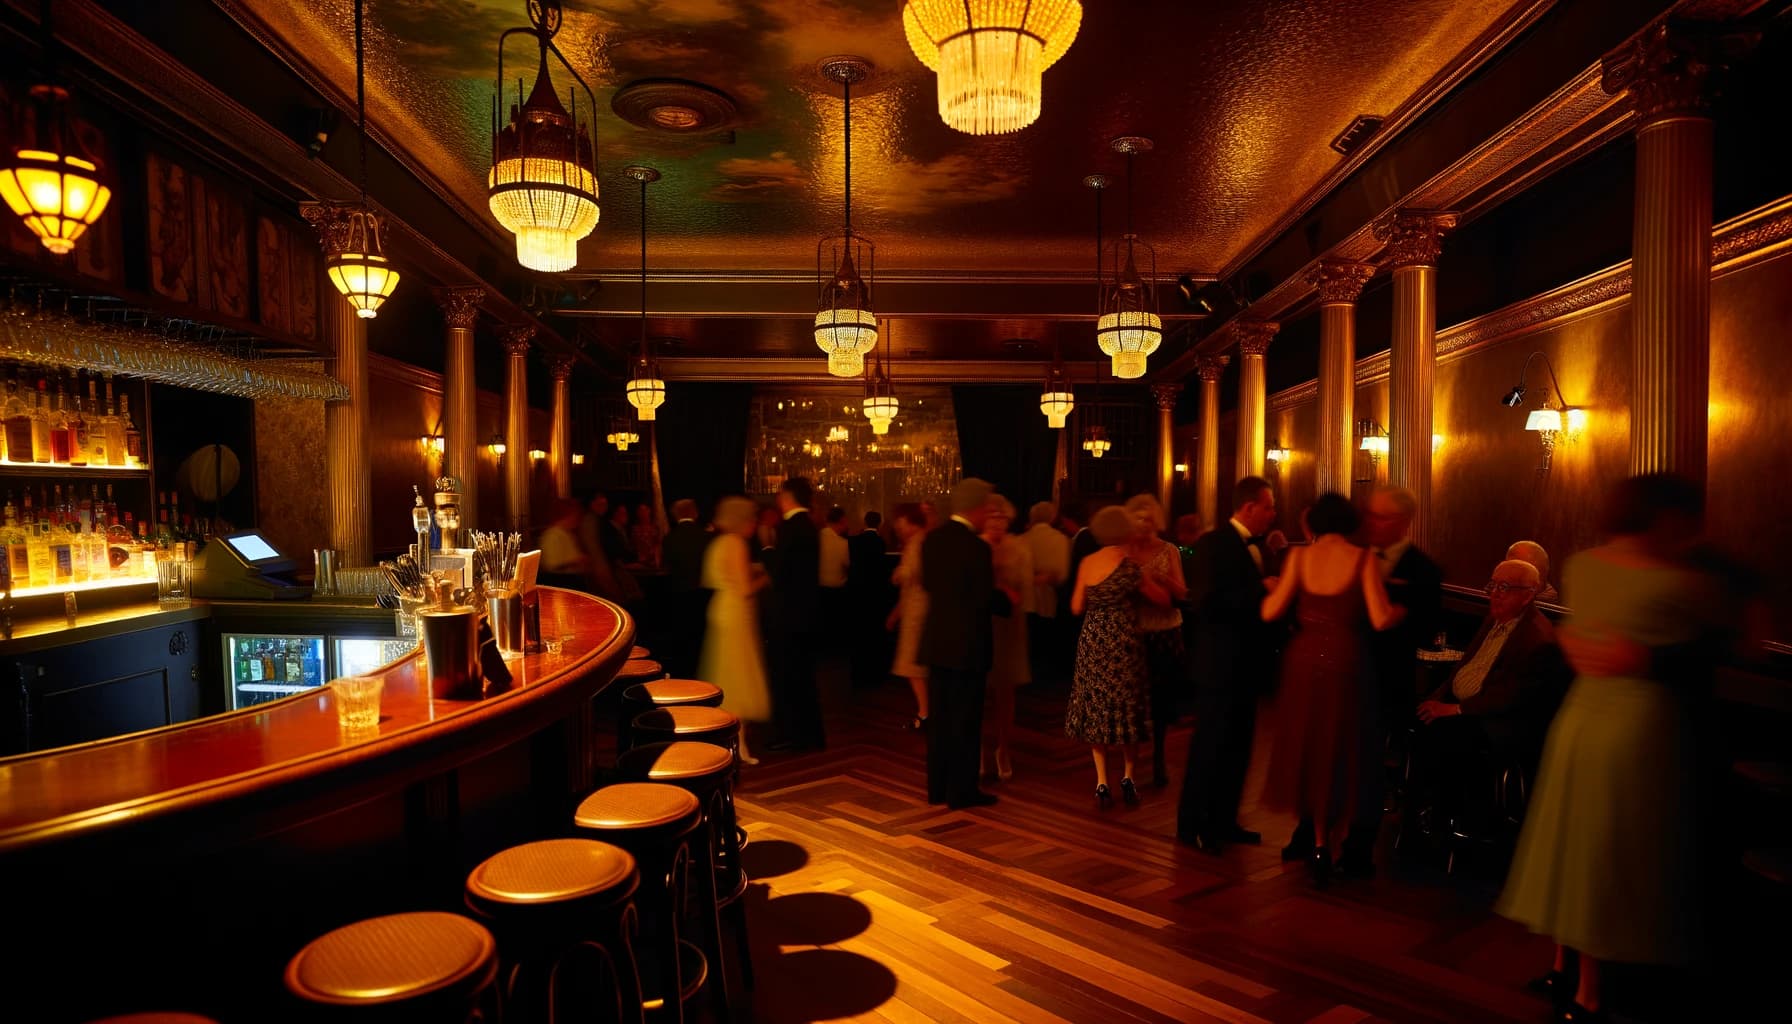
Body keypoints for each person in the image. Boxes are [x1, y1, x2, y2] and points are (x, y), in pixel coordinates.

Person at [1499, 475, 1734, 1023]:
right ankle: (1592, 993)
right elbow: (1710, 652)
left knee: (1574, 845)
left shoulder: (1585, 566)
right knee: (1613, 856)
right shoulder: (1679, 580)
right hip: (1640, 723)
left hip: (1581, 719)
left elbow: (1579, 642)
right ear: (1669, 517)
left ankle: (1565, 967)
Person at [1298, 485, 1442, 877]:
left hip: (1382, 683)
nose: (1372, 523)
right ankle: (1311, 834)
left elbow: (1424, 628)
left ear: (1403, 521)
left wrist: (1392, 614)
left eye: (1382, 517)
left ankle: (1359, 849)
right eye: (1370, 515)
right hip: (1334, 674)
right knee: (1323, 756)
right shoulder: (1349, 553)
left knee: (1366, 766)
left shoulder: (1423, 571)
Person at [1259, 493, 1401, 884]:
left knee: (1311, 748)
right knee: (1341, 751)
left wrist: (1275, 590)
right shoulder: (1362, 559)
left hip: (1303, 662)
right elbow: (1380, 618)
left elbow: (1270, 612)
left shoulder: (1300, 558)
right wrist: (1400, 610)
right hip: (1345, 661)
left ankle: (1319, 841)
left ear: (1315, 523)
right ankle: (1337, 842)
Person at [1406, 559, 1570, 843]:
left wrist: (1454, 709)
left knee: (1441, 736)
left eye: (1504, 587)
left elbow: (1509, 697)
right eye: (1492, 585)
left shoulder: (1536, 639)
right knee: (1412, 716)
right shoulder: (1496, 616)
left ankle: (1441, 821)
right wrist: (1438, 698)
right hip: (1468, 710)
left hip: (1498, 724)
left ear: (1529, 594)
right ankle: (1421, 814)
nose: (1493, 593)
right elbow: (1464, 668)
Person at [1177, 476, 1280, 853]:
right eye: (1268, 506)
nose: (1273, 513)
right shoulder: (1213, 544)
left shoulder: (1257, 547)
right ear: (1248, 507)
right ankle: (1194, 825)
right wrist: (1259, 590)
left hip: (1246, 666)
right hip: (1218, 667)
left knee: (1239, 747)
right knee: (1210, 747)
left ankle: (1225, 820)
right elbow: (1204, 603)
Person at [1065, 506, 1170, 807]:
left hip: (1094, 641)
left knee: (1097, 707)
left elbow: (1074, 607)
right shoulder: (1130, 565)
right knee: (1127, 708)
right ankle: (1128, 777)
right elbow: (1162, 600)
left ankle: (1101, 782)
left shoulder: (1087, 562)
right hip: (1124, 641)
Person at [918, 478, 1010, 810]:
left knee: (940, 719)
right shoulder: (977, 547)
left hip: (937, 642)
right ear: (976, 508)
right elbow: (984, 598)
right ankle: (962, 792)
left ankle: (938, 789)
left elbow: (928, 585)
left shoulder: (933, 540)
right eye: (987, 507)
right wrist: (1008, 600)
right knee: (966, 721)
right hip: (968, 645)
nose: (990, 513)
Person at [698, 497, 771, 764]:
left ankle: (727, 741)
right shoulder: (737, 543)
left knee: (727, 673)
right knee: (738, 675)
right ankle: (738, 744)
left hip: (721, 608)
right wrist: (767, 576)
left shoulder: (718, 543)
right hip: (736, 611)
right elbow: (744, 589)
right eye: (752, 518)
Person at [1123, 494, 1189, 788]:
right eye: (1138, 518)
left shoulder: (1169, 550)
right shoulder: (1122, 552)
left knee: (1163, 697)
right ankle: (1130, 762)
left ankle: (1160, 755)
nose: (1143, 524)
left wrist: (1161, 580)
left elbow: (1181, 593)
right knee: (1132, 698)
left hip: (1164, 630)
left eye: (1148, 518)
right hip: (1133, 630)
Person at [765, 477, 824, 752]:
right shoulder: (808, 527)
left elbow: (779, 573)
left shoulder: (789, 528)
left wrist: (766, 549)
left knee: (787, 677)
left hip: (788, 617)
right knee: (803, 677)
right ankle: (809, 735)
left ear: (787, 496)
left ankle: (790, 735)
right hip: (807, 615)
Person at [981, 496, 1032, 782]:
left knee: (1005, 692)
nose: (998, 522)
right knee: (978, 692)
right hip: (980, 623)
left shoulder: (1018, 548)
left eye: (1002, 517)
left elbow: (1022, 591)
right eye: (992, 517)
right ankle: (980, 749)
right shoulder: (976, 545)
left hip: (1009, 625)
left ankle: (1003, 748)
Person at [887, 506, 930, 730]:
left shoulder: (916, 544)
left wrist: (896, 574)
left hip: (917, 610)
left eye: (901, 523)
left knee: (913, 666)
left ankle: (925, 714)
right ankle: (926, 712)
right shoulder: (922, 541)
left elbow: (910, 572)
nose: (898, 528)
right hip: (916, 607)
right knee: (916, 666)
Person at [660, 498, 713, 678]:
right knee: (700, 639)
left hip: (678, 595)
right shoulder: (705, 537)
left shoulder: (669, 538)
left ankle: (682, 675)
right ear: (695, 513)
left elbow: (665, 566)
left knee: (681, 638)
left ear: (675, 516)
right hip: (702, 596)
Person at [1022, 501, 1071, 685]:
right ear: (1052, 517)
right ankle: (1045, 679)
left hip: (1027, 599)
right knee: (1046, 640)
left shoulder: (1022, 539)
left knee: (1031, 639)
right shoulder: (1062, 540)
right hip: (1051, 598)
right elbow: (1063, 575)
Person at [848, 511, 891, 689]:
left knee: (859, 633)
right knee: (873, 633)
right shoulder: (880, 543)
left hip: (857, 593)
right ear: (879, 524)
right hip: (875, 594)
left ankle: (858, 673)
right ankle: (874, 673)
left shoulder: (855, 541)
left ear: (864, 522)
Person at [536, 497, 591, 590]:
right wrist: (576, 561)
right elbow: (551, 565)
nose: (578, 519)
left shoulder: (566, 533)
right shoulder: (552, 535)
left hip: (573, 581)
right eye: (575, 514)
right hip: (563, 584)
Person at [630, 503, 661, 570]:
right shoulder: (634, 529)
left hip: (652, 563)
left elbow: (658, 545)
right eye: (640, 510)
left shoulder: (655, 528)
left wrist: (656, 560)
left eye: (644, 510)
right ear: (637, 513)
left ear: (649, 511)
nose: (642, 513)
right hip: (638, 562)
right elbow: (632, 546)